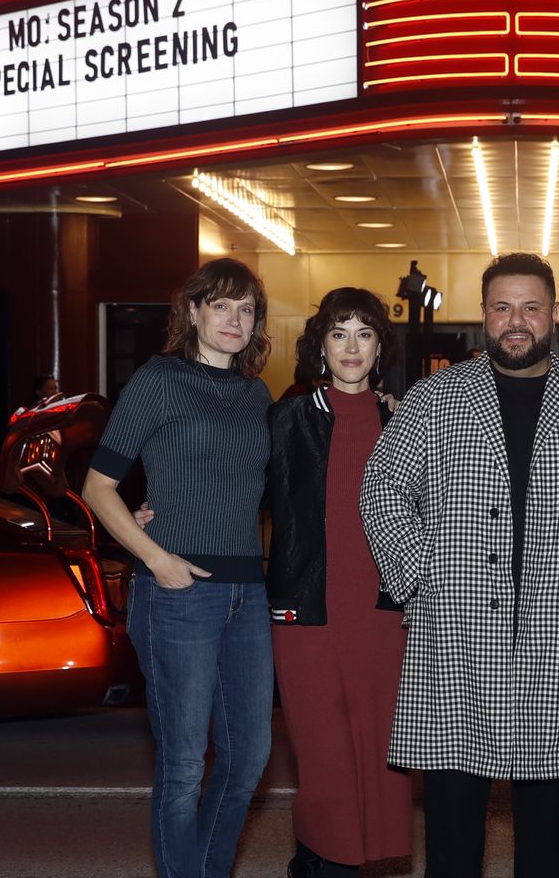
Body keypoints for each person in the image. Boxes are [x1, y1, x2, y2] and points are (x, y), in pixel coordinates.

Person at [360, 252, 559, 878]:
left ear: (555, 313)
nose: (517, 321)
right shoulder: (434, 397)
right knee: (453, 807)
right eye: (503, 307)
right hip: (457, 628)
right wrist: (420, 575)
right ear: (484, 314)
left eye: (531, 307)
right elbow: (382, 488)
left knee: (546, 817)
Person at [81, 258, 275, 878]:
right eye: (221, 305)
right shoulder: (159, 380)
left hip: (248, 592)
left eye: (246, 309)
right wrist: (157, 558)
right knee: (186, 763)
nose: (234, 319)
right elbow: (98, 487)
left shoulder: (256, 394)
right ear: (192, 311)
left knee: (247, 758)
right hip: (178, 592)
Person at [265, 288, 412, 877]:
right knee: (323, 751)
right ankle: (323, 863)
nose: (352, 347)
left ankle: (340, 861)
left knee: (380, 752)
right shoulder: (287, 418)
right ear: (320, 346)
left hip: (385, 615)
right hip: (308, 611)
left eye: (364, 334)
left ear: (379, 348)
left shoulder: (404, 422)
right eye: (339, 333)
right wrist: (160, 511)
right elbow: (233, 487)